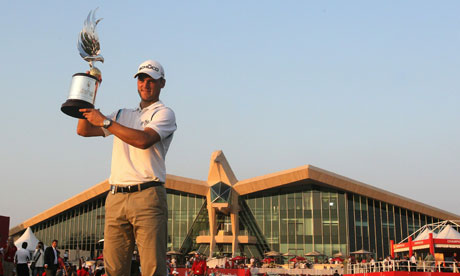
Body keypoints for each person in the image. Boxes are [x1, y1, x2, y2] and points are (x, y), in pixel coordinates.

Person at [77, 59, 176, 276]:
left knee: (152, 268)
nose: (145, 85)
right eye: (141, 79)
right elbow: (83, 129)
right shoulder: (122, 114)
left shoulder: (164, 113)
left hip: (148, 195)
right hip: (116, 196)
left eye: (152, 80)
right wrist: (90, 89)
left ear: (162, 84)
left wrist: (105, 122)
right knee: (114, 268)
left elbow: (144, 140)